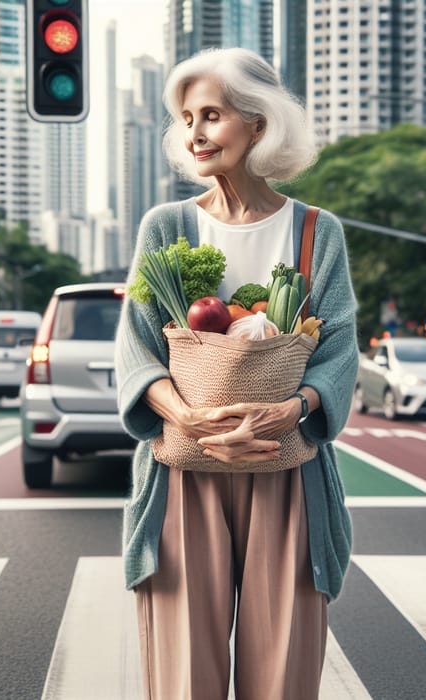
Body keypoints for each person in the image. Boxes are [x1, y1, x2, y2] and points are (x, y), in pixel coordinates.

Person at [115, 47, 358, 700]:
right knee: (183, 677)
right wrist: (188, 416)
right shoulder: (165, 227)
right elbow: (137, 352)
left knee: (282, 676)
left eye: (211, 115)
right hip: (182, 473)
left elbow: (338, 352)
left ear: (259, 123)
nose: (193, 133)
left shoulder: (317, 233)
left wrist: (294, 409)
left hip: (287, 470)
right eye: (186, 118)